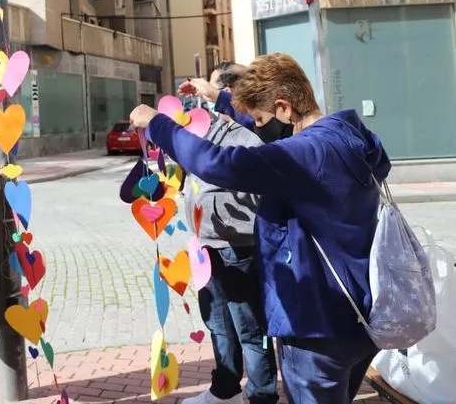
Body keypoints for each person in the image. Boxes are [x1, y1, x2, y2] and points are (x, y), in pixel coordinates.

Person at [130, 53, 385, 404]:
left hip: (316, 325)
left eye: (261, 120)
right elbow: (268, 127)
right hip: (361, 316)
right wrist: (218, 97)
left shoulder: (302, 154)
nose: (258, 128)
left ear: (284, 108)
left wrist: (157, 123)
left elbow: (217, 163)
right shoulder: (350, 135)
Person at [180, 64, 278, 404]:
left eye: (211, 90)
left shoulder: (253, 132)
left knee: (251, 328)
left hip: (239, 247)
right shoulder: (208, 127)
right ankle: (225, 391)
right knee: (218, 323)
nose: (204, 98)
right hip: (205, 247)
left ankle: (262, 394)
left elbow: (257, 189)